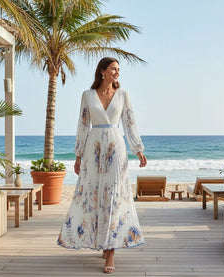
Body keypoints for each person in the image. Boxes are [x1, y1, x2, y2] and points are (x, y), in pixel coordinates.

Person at [57, 57, 147, 274]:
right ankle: (103, 241)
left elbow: (130, 123)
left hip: (116, 148)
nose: (117, 72)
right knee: (95, 196)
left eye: (118, 69)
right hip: (93, 149)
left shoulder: (123, 95)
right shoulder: (87, 95)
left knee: (114, 196)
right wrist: (78, 155)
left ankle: (111, 249)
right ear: (102, 71)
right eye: (113, 69)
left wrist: (138, 149)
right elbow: (82, 125)